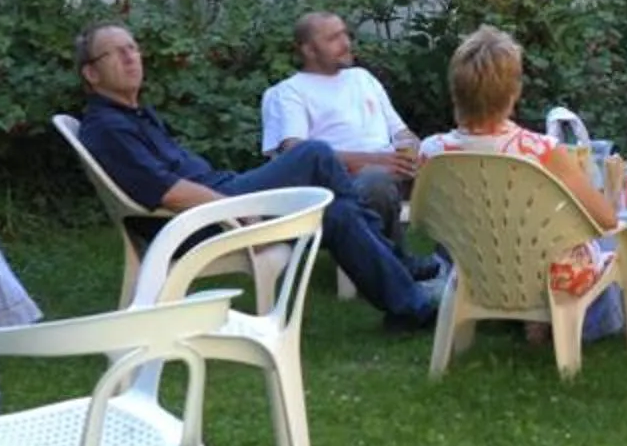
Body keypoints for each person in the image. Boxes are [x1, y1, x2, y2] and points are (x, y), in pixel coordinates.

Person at [72, 21, 441, 327]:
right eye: (115, 53)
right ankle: (401, 263)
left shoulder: (133, 115)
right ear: (91, 72)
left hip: (217, 199)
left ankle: (409, 308)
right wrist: (236, 212)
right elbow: (169, 192)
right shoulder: (109, 128)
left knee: (341, 213)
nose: (130, 56)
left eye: (132, 48)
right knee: (314, 153)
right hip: (200, 221)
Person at [417, 26, 623, 337]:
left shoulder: (431, 152)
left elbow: (426, 222)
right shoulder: (542, 151)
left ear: (455, 89)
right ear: (513, 92)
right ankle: (567, 327)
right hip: (546, 277)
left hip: (475, 273)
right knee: (603, 244)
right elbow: (606, 219)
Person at [260, 11, 422, 232]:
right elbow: (296, 153)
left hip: (390, 175)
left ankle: (452, 254)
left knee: (454, 173)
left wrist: (415, 152)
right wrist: (374, 161)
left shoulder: (363, 78)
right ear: (309, 50)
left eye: (345, 34)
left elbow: (401, 132)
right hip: (339, 185)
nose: (346, 44)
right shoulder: (290, 92)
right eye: (333, 39)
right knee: (375, 182)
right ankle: (393, 253)